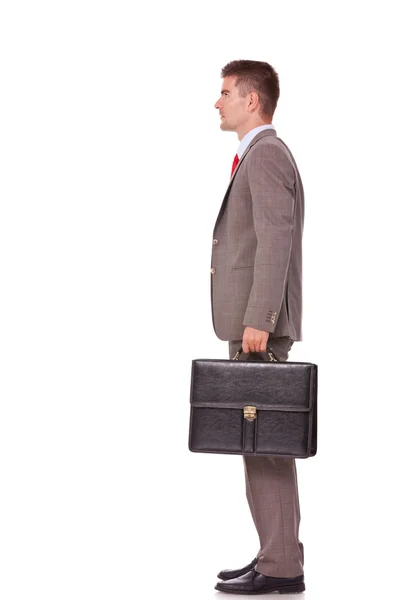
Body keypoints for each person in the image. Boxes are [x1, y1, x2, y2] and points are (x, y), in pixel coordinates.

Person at [210, 60, 306, 595]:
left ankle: (281, 566)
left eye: (224, 92)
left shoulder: (266, 154)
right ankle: (277, 555)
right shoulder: (257, 154)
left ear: (252, 100)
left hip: (258, 327)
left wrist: (259, 321)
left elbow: (276, 238)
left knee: (266, 446)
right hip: (253, 322)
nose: (216, 102)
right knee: (260, 443)